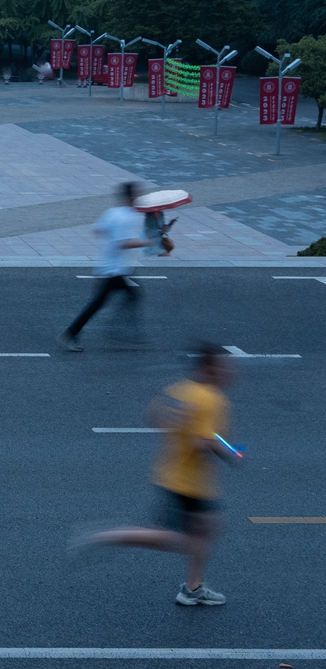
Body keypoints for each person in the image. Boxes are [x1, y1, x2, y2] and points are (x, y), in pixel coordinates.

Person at [70, 345, 239, 605]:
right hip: (191, 483)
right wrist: (233, 452)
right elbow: (203, 442)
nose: (230, 371)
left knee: (208, 528)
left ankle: (193, 587)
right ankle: (105, 537)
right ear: (209, 369)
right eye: (224, 366)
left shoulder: (180, 390)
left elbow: (154, 416)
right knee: (182, 538)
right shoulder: (212, 399)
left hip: (169, 473)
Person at [58, 182, 149, 352]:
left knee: (111, 300)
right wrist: (147, 242)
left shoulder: (113, 213)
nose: (139, 198)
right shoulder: (128, 217)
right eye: (137, 195)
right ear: (131, 197)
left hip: (108, 267)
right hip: (117, 270)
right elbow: (124, 244)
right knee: (124, 298)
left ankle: (76, 333)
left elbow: (97, 230)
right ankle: (114, 333)